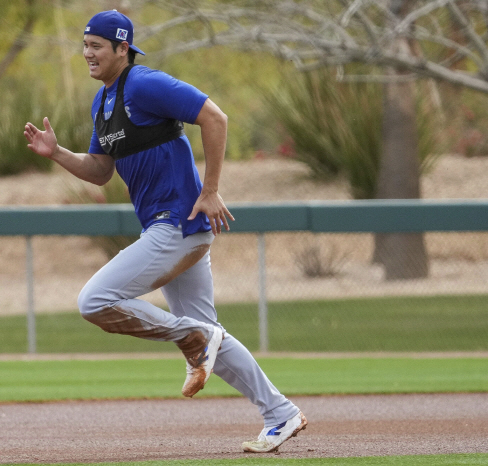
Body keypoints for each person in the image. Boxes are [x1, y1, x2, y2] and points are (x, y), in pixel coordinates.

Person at [24, 9, 306, 453]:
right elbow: (100, 171)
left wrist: (211, 189)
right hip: (171, 227)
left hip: (175, 223)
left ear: (122, 48)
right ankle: (281, 414)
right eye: (85, 45)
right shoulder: (102, 102)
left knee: (94, 301)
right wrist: (58, 152)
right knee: (210, 333)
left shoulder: (144, 83)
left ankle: (191, 338)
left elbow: (216, 117)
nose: (87, 53)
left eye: (96, 46)